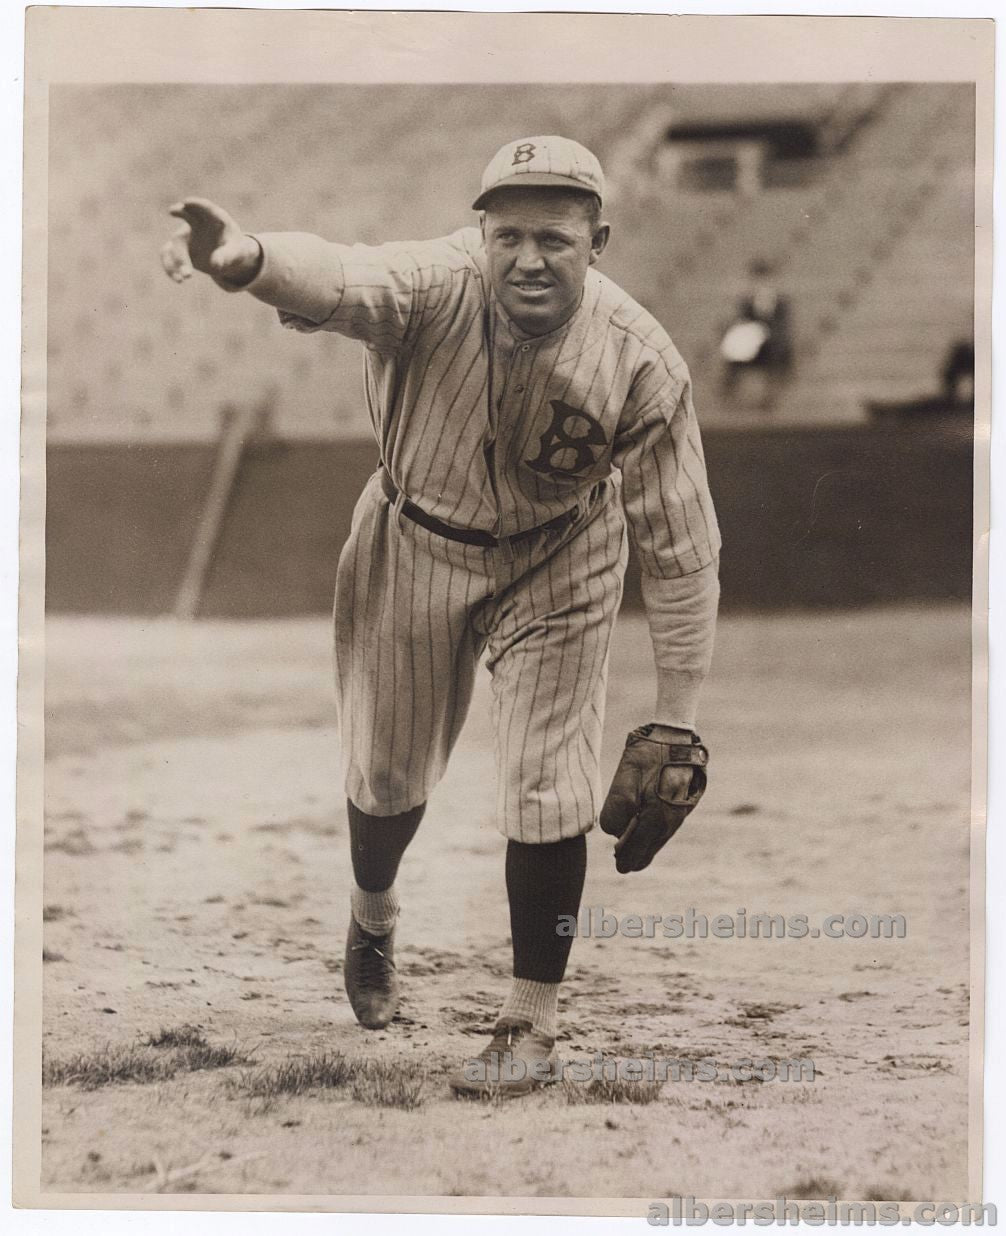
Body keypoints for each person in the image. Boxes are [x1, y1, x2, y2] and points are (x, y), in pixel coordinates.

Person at [161, 135, 721, 1098]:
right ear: (481, 234)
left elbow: (681, 546)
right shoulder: (434, 283)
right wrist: (247, 258)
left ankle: (531, 1021)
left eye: (554, 238)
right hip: (414, 534)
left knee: (548, 784)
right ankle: (374, 916)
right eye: (509, 236)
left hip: (561, 553)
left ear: (598, 243)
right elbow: (341, 275)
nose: (528, 259)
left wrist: (678, 716)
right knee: (385, 777)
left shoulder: (640, 358)